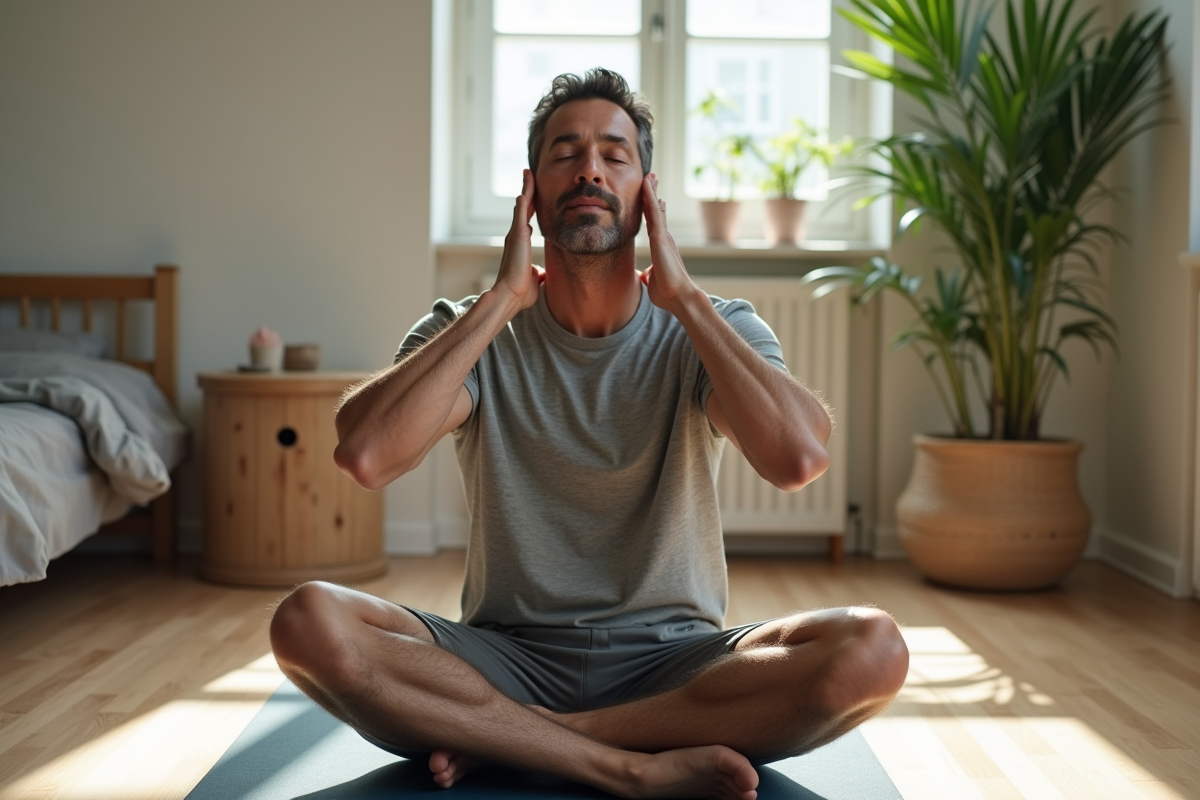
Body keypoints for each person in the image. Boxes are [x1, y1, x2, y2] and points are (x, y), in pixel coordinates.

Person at [269, 68, 908, 800]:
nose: (591, 170)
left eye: (614, 153)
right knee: (307, 620)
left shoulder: (716, 327)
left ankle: (521, 737)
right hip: (502, 656)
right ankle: (625, 767)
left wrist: (687, 298)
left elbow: (799, 458)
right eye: (565, 153)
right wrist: (502, 300)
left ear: (647, 194)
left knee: (872, 649)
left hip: (677, 665)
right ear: (531, 192)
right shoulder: (466, 330)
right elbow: (366, 454)